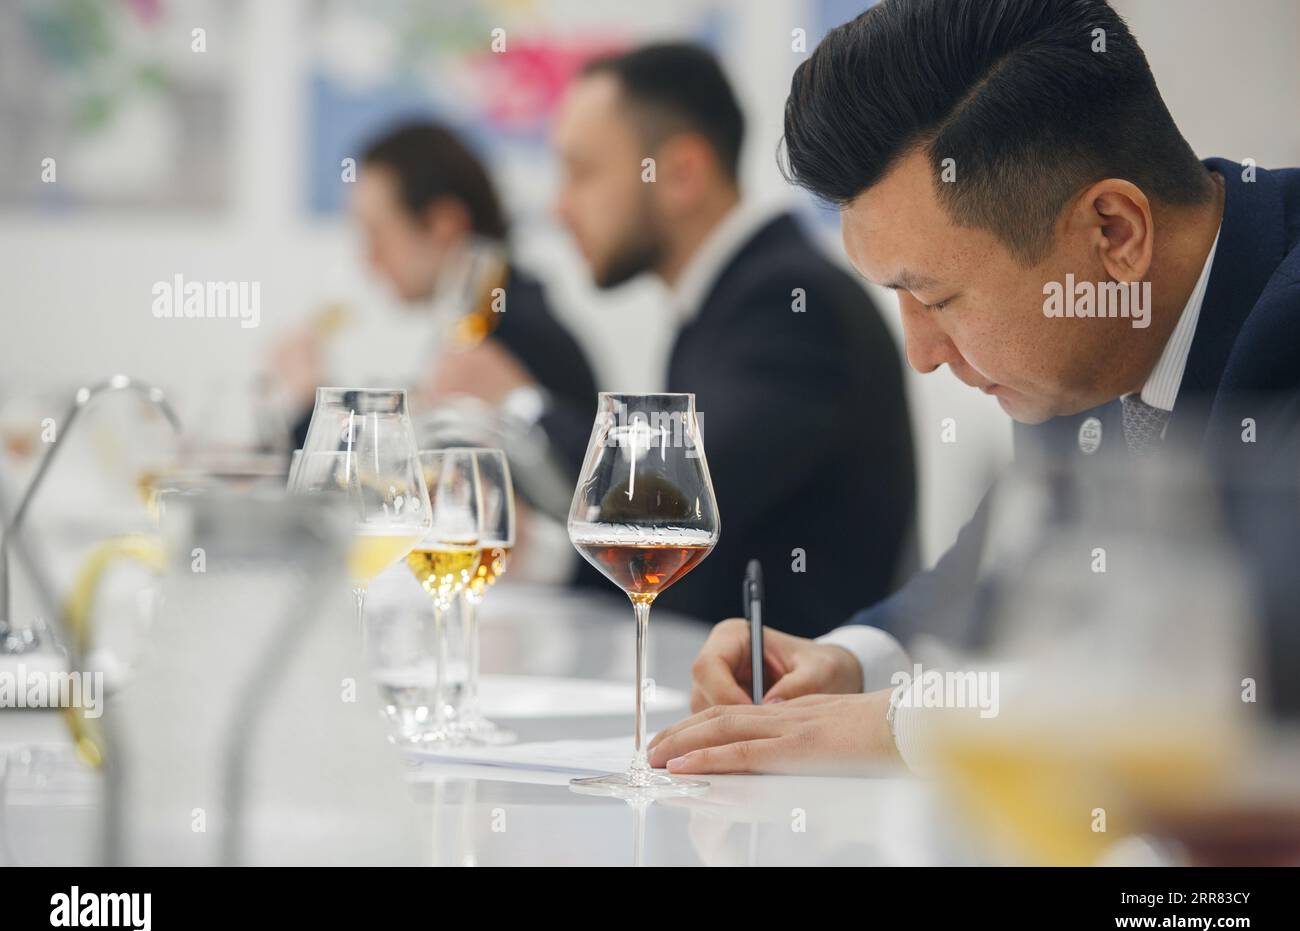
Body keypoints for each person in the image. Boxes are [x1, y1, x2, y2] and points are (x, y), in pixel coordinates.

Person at [649, 0, 1300, 775]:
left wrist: (910, 724)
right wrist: (855, 661)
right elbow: (1002, 565)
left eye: (938, 299)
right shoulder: (1094, 326)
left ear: (1114, 233)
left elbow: (1247, 676)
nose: (922, 355)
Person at [541, 43, 917, 635]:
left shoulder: (792, 303)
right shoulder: (735, 297)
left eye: (582, 172)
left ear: (684, 173)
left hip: (786, 702)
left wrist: (518, 405)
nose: (558, 207)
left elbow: (673, 506)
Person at [273, 121, 599, 464]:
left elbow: (393, 480)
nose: (369, 259)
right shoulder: (487, 310)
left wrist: (308, 397)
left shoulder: (511, 328)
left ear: (444, 224)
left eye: (376, 233)